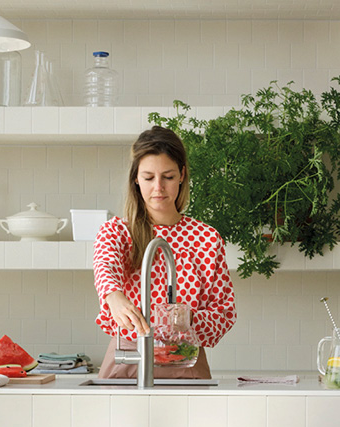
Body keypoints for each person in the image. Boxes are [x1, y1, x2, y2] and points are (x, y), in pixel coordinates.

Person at [93, 126, 236, 378]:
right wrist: (114, 297)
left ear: (182, 175)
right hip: (128, 358)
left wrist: (184, 319)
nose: (158, 187)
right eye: (148, 178)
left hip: (187, 361)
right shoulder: (117, 231)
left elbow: (224, 313)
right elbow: (106, 266)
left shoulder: (206, 238)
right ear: (135, 178)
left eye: (168, 177)